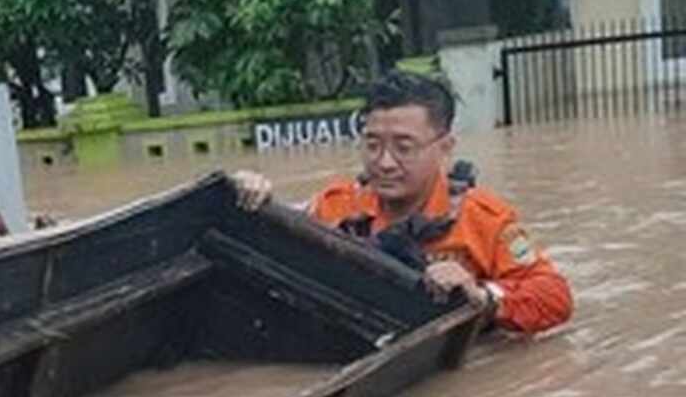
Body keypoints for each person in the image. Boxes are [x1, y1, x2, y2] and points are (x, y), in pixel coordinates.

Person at [232, 71, 573, 334]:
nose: (384, 163)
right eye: (372, 145)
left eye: (404, 147)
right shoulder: (335, 206)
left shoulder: (484, 219)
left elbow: (555, 297)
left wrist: (482, 296)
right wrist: (251, 193)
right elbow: (278, 228)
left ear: (444, 146)